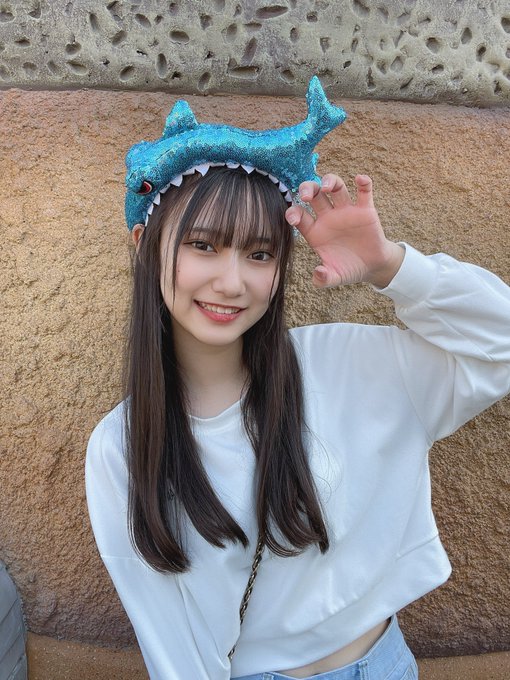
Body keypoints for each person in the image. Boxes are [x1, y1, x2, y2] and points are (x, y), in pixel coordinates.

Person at [85, 78, 510, 680]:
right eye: (203, 245)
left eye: (260, 254)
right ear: (144, 244)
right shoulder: (122, 446)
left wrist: (389, 266)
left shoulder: (347, 365)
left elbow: (501, 342)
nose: (232, 282)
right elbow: (172, 644)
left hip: (387, 663)